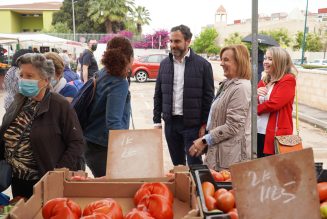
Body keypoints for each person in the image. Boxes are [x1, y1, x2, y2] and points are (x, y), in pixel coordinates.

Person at [0, 53, 85, 198]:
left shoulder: (60, 105)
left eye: (30, 76)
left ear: (45, 80)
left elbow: (76, 143)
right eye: (21, 75)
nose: (23, 80)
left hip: (45, 181)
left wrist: (57, 172)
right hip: (18, 180)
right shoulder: (19, 100)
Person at [153, 24, 214, 166]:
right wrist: (157, 121)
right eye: (171, 41)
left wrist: (205, 124)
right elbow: (158, 94)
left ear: (188, 41)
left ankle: (197, 189)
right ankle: (181, 188)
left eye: (177, 41)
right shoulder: (164, 65)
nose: (173, 45)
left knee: (195, 165)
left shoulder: (203, 65)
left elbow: (208, 97)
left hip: (192, 126)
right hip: (170, 124)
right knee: (178, 166)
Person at [189, 44, 252, 170]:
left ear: (239, 62)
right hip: (221, 153)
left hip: (230, 158)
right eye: (221, 59)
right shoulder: (227, 84)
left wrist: (204, 140)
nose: (221, 63)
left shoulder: (241, 88)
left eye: (226, 60)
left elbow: (232, 126)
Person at [83, 36, 133, 177]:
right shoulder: (118, 82)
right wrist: (125, 148)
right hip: (104, 148)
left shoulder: (101, 74)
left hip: (91, 142)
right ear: (130, 57)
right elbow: (113, 122)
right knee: (111, 191)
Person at [256, 47, 297, 157]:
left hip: (275, 135)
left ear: (279, 62)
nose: (265, 62)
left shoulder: (288, 80)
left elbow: (275, 104)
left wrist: (254, 109)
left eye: (270, 59)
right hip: (258, 131)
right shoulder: (264, 80)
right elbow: (251, 100)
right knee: (259, 168)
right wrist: (255, 94)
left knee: (273, 171)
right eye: (265, 58)